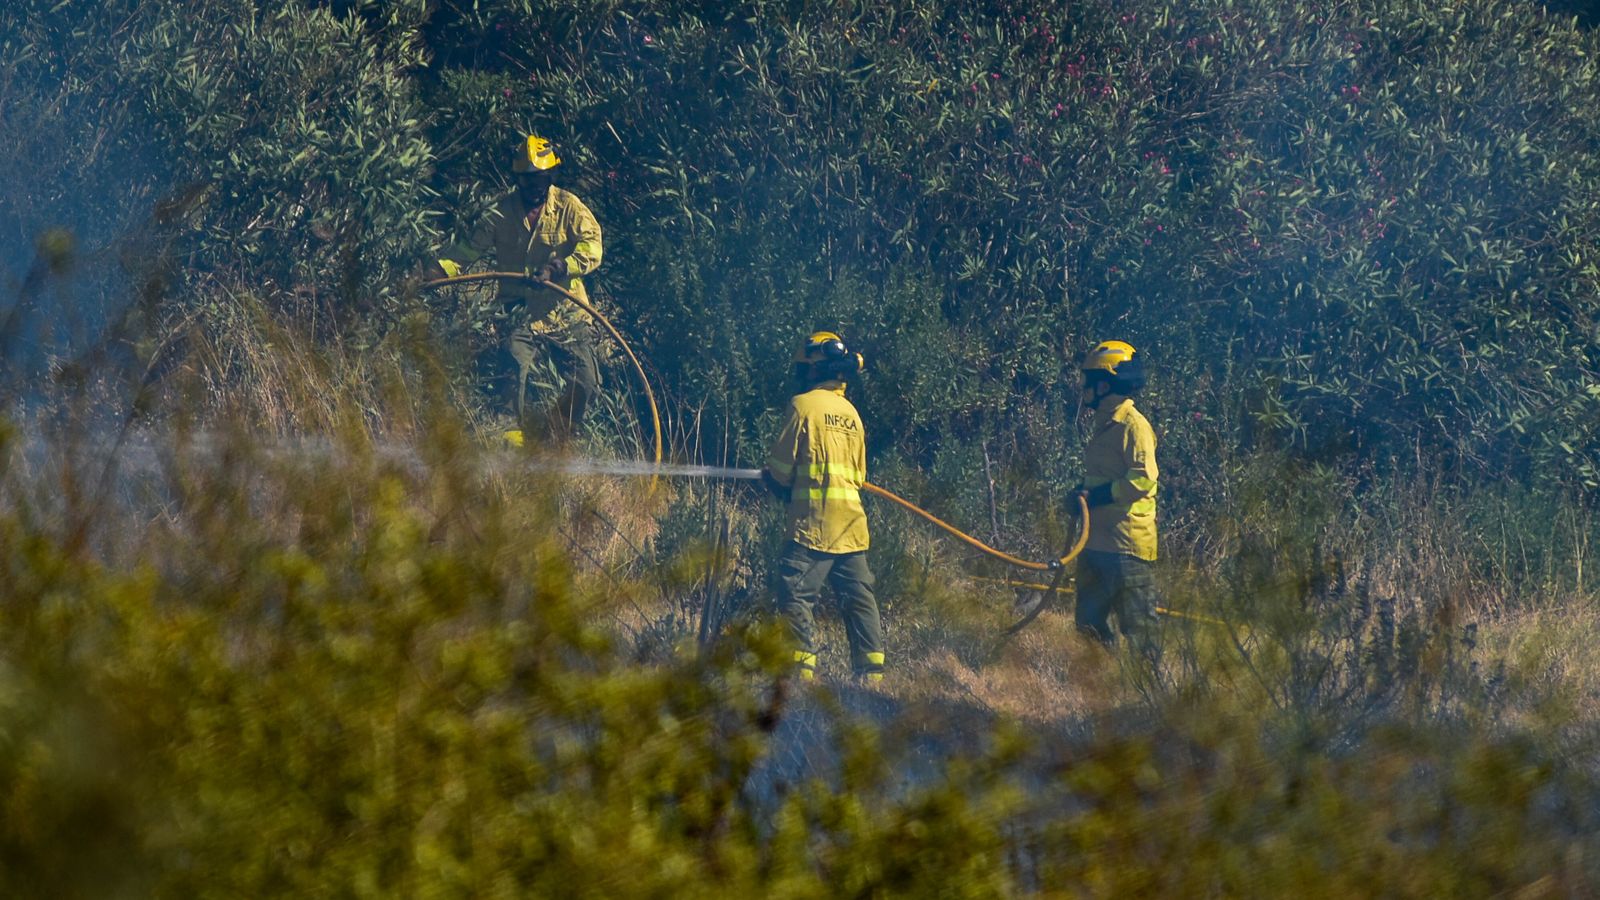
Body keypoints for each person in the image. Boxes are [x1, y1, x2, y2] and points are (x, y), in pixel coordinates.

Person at [428, 134, 604, 441]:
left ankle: (555, 433)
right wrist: (439, 269)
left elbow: (592, 248)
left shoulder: (570, 207)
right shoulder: (501, 211)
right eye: (526, 180)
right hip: (516, 308)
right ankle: (512, 446)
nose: (534, 186)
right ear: (517, 179)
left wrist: (559, 267)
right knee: (512, 372)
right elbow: (468, 250)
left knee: (585, 381)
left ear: (551, 176)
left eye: (540, 179)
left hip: (565, 310)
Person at [761, 331, 885, 683]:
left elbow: (781, 472)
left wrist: (772, 481)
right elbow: (859, 475)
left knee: (795, 593)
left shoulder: (803, 406)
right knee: (860, 601)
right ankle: (872, 677)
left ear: (814, 369)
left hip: (813, 526)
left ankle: (801, 673)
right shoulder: (852, 414)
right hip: (851, 527)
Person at [1072, 339, 1161, 652]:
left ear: (1106, 384)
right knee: (1087, 626)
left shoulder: (1133, 426)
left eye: (1089, 381)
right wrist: (1081, 495)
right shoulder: (1104, 423)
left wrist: (1098, 495)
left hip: (1127, 547)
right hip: (1097, 544)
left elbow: (1144, 480)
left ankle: (1147, 697)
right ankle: (1100, 691)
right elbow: (1103, 474)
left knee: (1141, 635)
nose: (1084, 387)